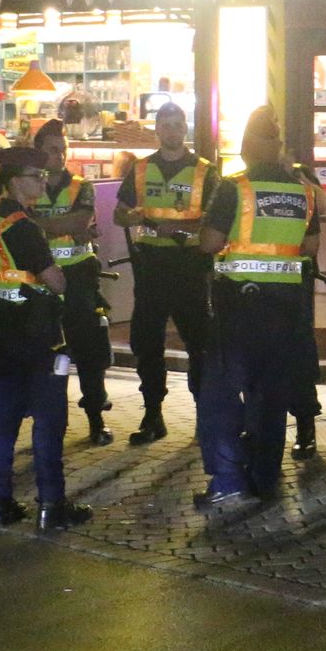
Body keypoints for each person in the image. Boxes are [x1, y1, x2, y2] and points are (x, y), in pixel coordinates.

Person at [196, 107, 323, 508]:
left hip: (239, 309)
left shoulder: (235, 188)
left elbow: (209, 242)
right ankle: (265, 478)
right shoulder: (303, 191)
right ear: (278, 147)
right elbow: (311, 246)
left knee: (218, 394)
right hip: (286, 310)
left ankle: (228, 479)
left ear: (248, 146)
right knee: (270, 398)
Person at [0, 146, 91, 531]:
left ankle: (0, 503)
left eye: (43, 176)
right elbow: (56, 281)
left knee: (4, 424)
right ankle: (51, 505)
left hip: (3, 333)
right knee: (49, 422)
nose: (42, 181)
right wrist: (64, 278)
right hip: (40, 337)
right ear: (13, 181)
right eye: (34, 176)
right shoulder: (23, 226)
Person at [112, 101, 214, 445]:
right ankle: (152, 415)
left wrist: (183, 227)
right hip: (152, 265)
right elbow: (119, 213)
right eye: (166, 125)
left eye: (177, 124)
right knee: (147, 342)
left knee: (199, 343)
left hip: (190, 266)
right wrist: (127, 217)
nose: (172, 131)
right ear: (157, 129)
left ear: (185, 128)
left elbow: (217, 220)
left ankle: (205, 415)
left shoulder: (204, 171)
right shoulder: (141, 169)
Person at [30, 118, 114, 445]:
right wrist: (61, 225)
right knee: (46, 356)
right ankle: (47, 427)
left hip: (79, 278)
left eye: (63, 149)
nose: (60, 155)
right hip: (40, 279)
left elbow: (80, 221)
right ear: (39, 152)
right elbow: (18, 222)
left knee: (90, 351)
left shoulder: (82, 186)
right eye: (53, 149)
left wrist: (38, 225)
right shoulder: (29, 184)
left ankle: (96, 419)